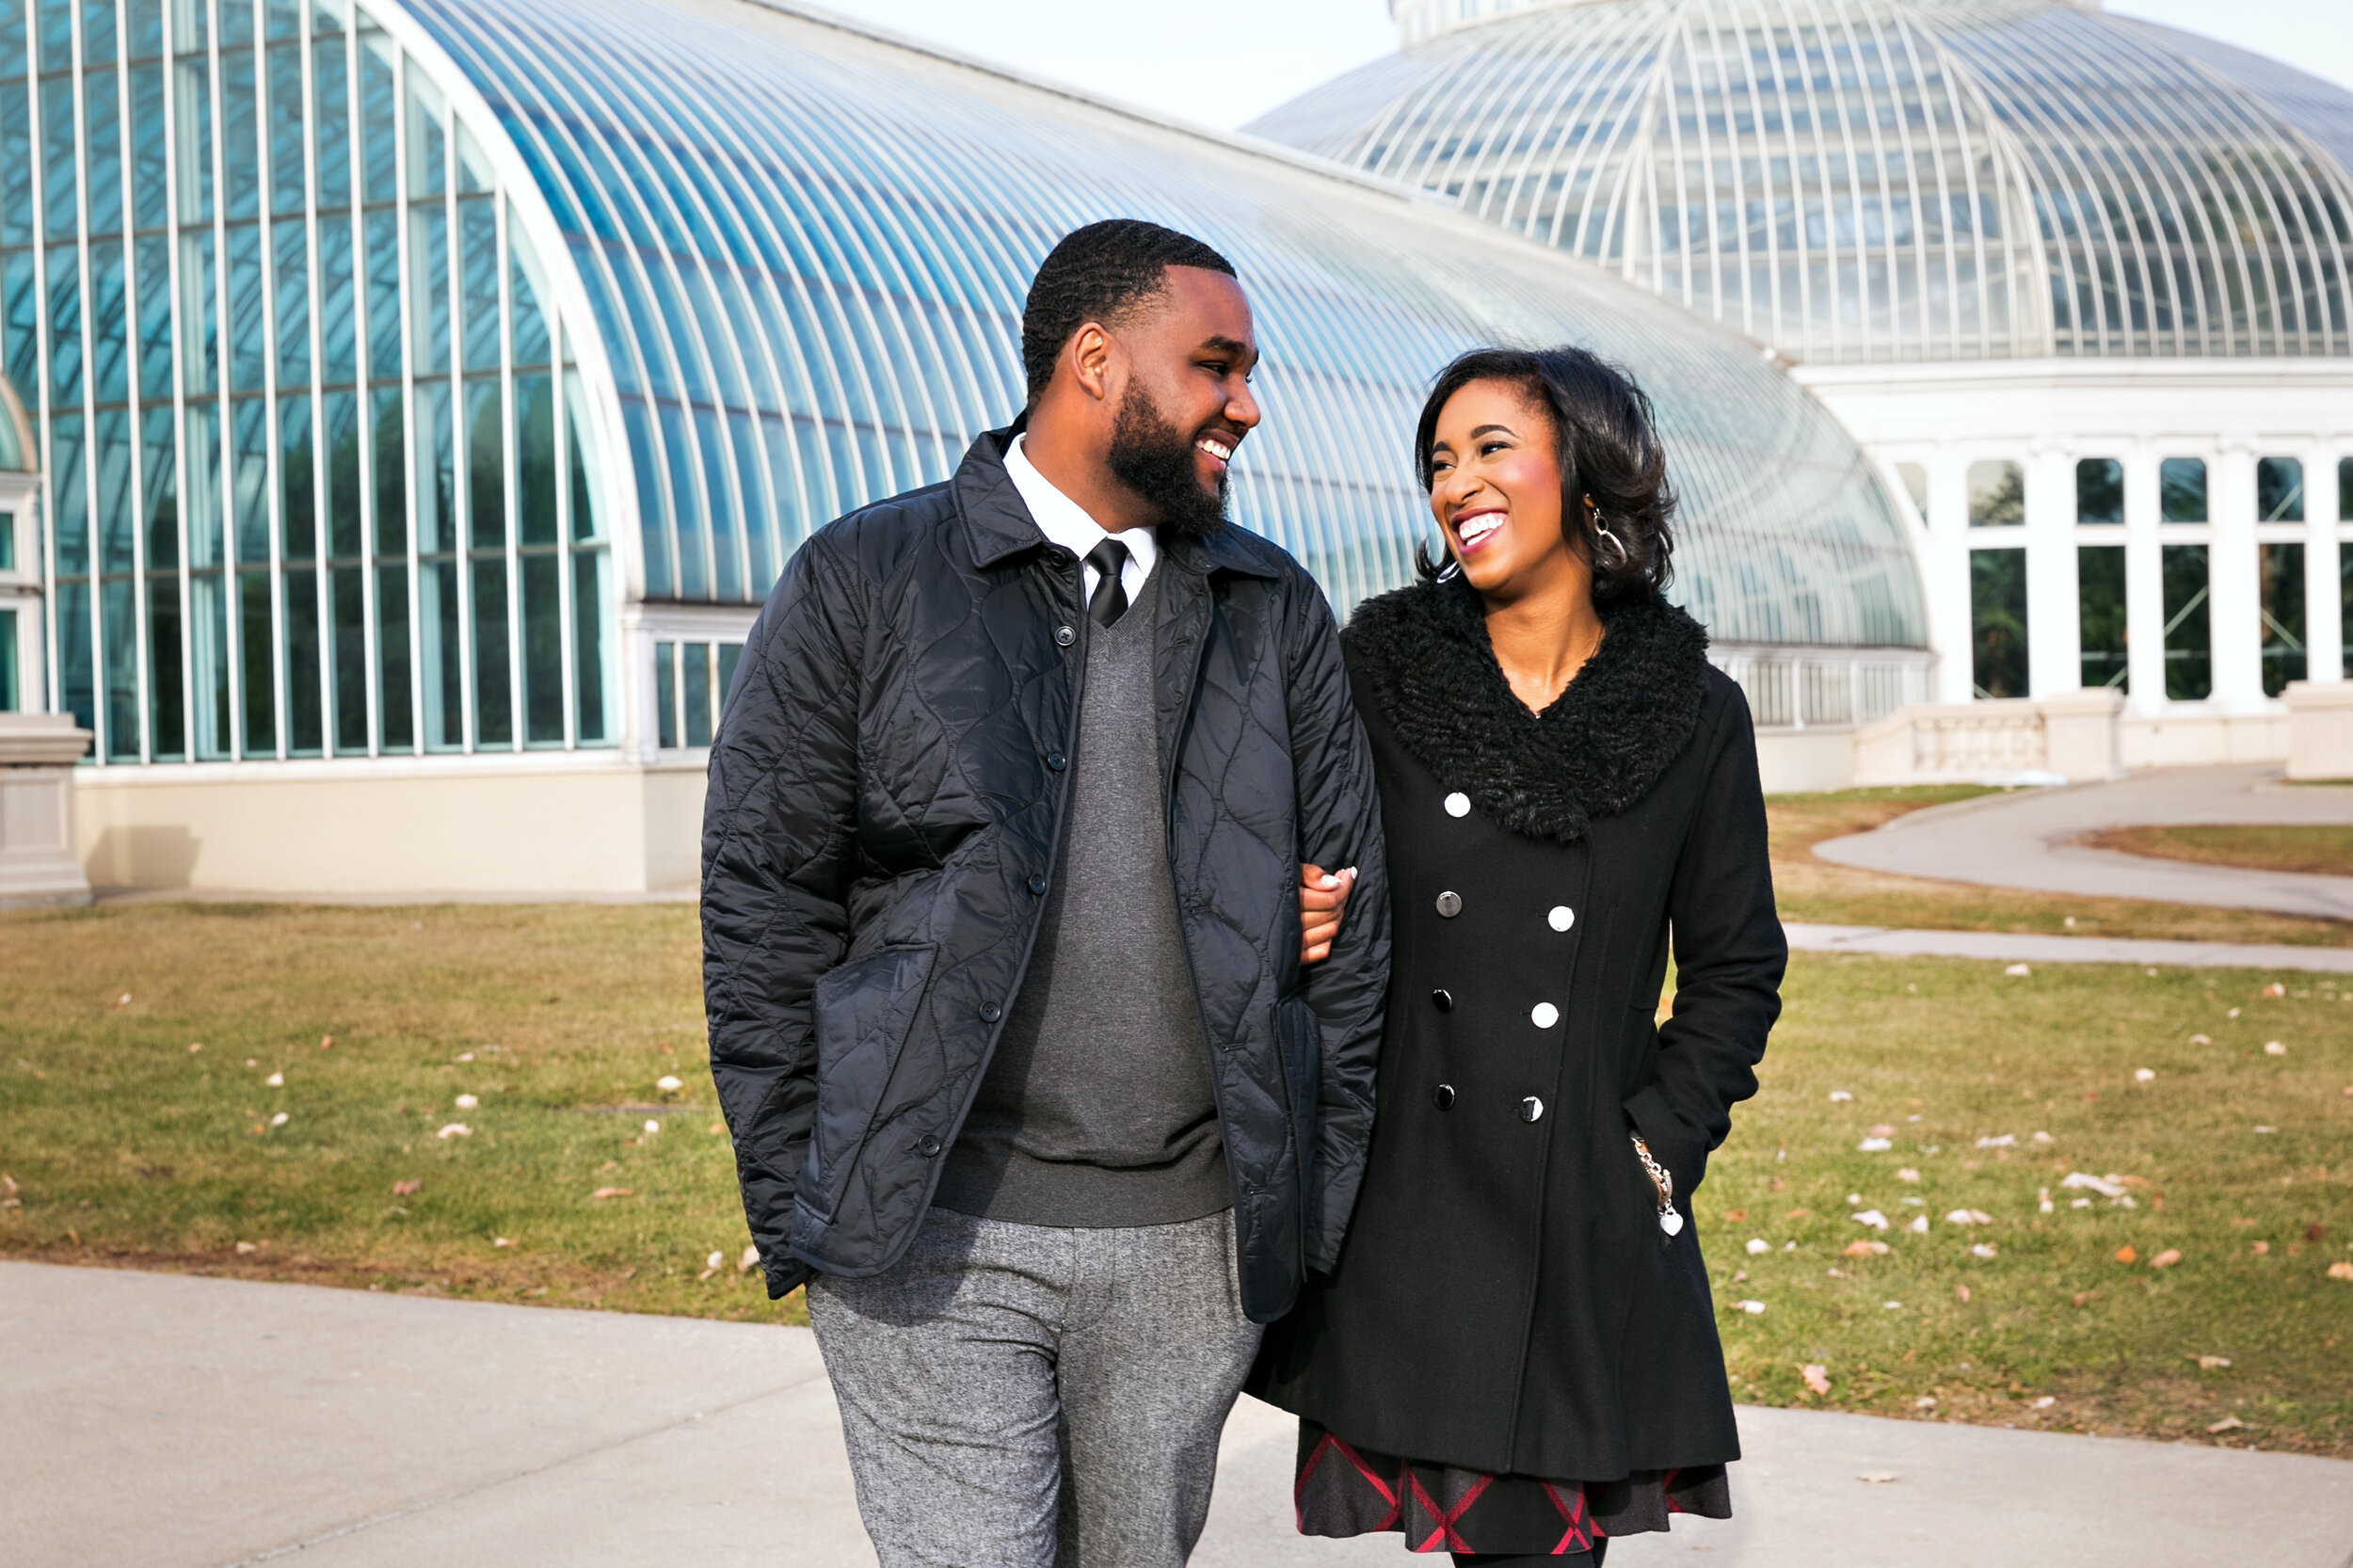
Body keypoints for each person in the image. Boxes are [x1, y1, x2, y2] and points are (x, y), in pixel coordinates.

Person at [700, 218, 1390, 1568]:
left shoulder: (1276, 610)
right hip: (926, 1241)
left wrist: (1306, 1216)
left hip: (1187, 1252)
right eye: (1215, 366)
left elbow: (1347, 935)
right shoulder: (864, 581)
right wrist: (807, 1200)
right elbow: (764, 899)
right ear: (1094, 361)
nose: (1246, 404)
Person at [1252, 345, 1786, 1565]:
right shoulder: (1374, 674)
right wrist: (1287, 910)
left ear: (1588, 478)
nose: (1456, 483)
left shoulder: (1695, 713)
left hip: (1582, 1209)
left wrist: (1658, 1144)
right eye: (1439, 460)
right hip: (1414, 1210)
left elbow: (1736, 961)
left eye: (1492, 448)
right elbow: (1279, 863)